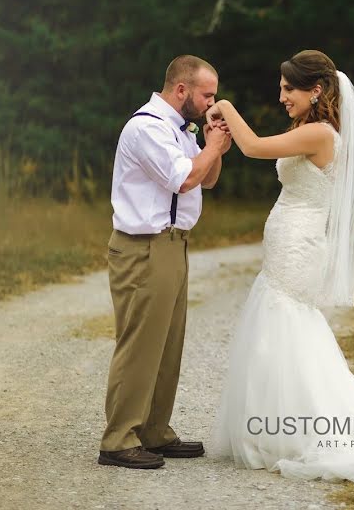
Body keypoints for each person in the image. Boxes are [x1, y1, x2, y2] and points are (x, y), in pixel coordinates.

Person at [207, 50, 354, 483]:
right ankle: (274, 425)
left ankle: (295, 427)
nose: (281, 97)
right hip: (288, 242)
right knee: (279, 326)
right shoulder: (310, 130)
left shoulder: (320, 134)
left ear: (316, 90)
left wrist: (226, 107)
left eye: (288, 88)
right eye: (280, 88)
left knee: (288, 323)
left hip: (299, 246)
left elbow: (254, 147)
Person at [98, 55, 233, 469]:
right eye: (207, 94)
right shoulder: (147, 128)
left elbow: (206, 177)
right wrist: (209, 148)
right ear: (181, 90)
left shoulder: (180, 129)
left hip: (174, 246)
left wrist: (214, 145)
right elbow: (184, 178)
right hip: (143, 247)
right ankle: (118, 439)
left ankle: (154, 431)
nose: (213, 101)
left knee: (167, 346)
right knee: (140, 345)